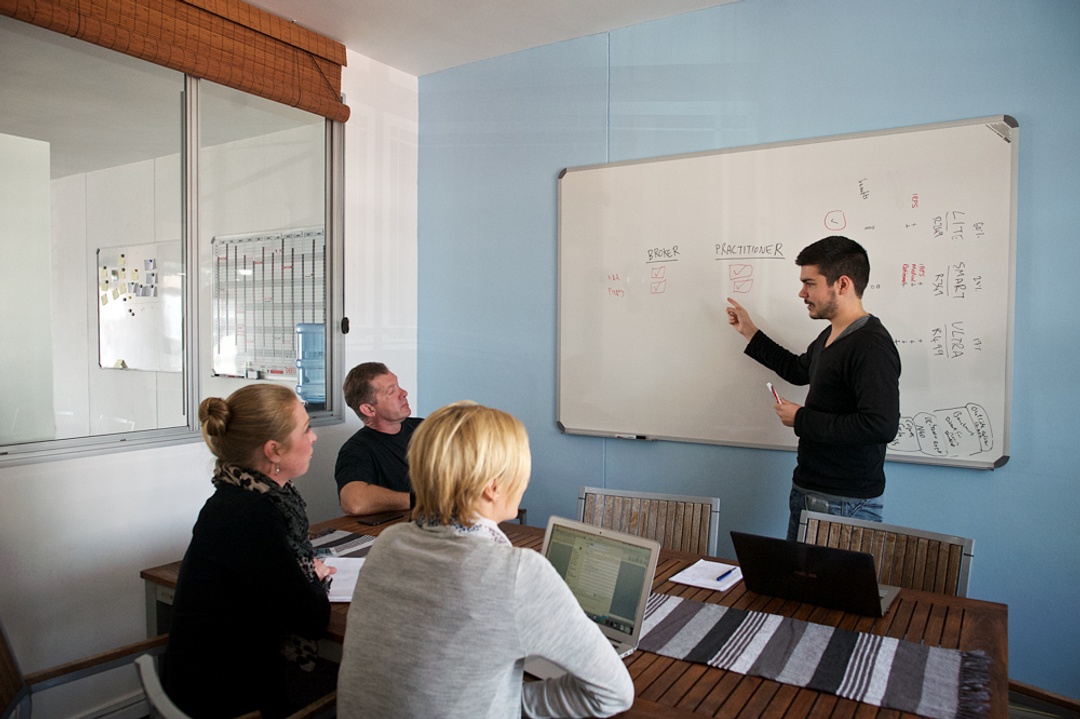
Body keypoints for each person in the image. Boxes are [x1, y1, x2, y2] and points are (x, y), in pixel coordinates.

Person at [336, 401, 635, 718]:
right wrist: (504, 705)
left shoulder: (388, 543)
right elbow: (613, 694)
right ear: (492, 487)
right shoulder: (516, 572)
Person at [164, 384, 335, 718]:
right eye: (306, 429)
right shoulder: (251, 515)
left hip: (205, 681)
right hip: (224, 701)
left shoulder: (238, 497)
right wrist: (314, 578)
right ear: (274, 451)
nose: (314, 437)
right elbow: (312, 619)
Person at [726, 235, 901, 541]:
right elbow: (797, 370)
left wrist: (801, 419)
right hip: (810, 489)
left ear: (842, 284)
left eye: (810, 283)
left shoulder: (871, 346)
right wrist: (750, 331)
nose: (802, 293)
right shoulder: (830, 336)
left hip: (844, 501)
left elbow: (880, 425)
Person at [334, 362, 422, 515]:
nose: (404, 393)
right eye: (391, 391)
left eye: (398, 386)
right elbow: (354, 502)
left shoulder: (425, 428)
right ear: (369, 409)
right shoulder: (356, 450)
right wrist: (419, 501)